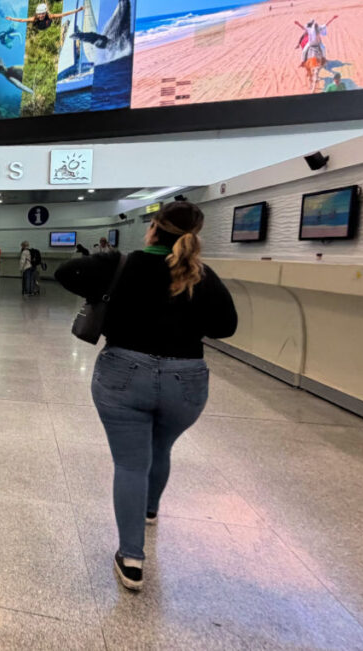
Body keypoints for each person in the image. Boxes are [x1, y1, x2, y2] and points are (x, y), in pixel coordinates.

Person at [55, 201, 237, 593]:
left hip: (124, 374)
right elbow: (226, 326)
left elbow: (66, 272)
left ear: (153, 227)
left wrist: (107, 277)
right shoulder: (202, 275)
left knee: (131, 464)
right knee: (162, 448)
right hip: (185, 380)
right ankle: (150, 510)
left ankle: (132, 558)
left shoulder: (122, 264)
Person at [5, 2, 84, 33]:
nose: (40, 16)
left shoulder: (49, 16)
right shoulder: (35, 18)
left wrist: (78, 10)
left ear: (45, 13)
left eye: (42, 14)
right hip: (39, 27)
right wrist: (11, 19)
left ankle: (47, 8)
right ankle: (46, 8)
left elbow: (64, 14)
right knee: (35, 21)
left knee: (50, 16)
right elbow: (22, 20)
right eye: (39, 14)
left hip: (47, 24)